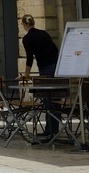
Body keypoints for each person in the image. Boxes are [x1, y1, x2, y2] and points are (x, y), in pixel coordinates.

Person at [22, 14, 63, 142]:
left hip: (45, 70)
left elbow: (29, 59)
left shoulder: (27, 38)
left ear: (24, 25)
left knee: (47, 100)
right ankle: (54, 129)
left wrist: (26, 74)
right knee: (56, 99)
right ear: (33, 22)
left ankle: (50, 130)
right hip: (56, 68)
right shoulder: (44, 34)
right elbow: (55, 49)